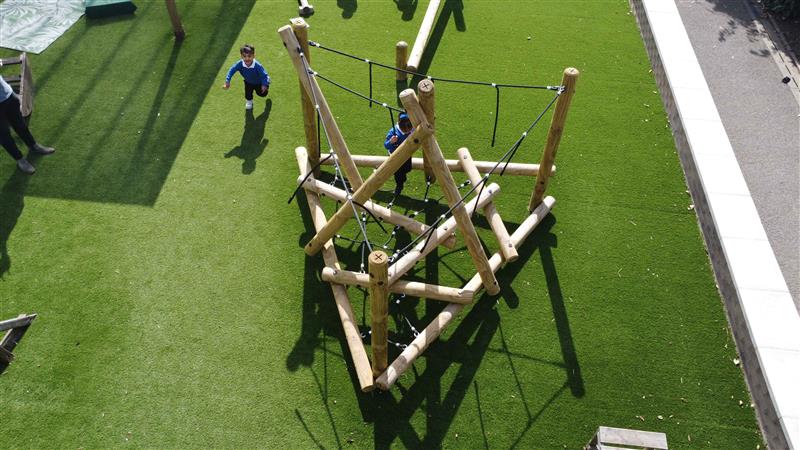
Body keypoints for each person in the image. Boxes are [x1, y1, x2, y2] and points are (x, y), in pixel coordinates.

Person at [0, 75, 54, 175]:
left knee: (21, 125)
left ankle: (34, 146)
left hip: (8, 95)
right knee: (4, 135)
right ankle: (20, 160)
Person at [223, 44, 271, 110]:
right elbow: (232, 70)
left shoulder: (258, 66)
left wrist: (264, 84)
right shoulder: (239, 64)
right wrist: (227, 80)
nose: (247, 58)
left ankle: (267, 83)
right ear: (241, 56)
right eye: (244, 56)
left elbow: (263, 75)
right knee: (248, 93)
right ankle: (249, 102)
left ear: (254, 56)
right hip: (248, 82)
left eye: (249, 56)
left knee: (262, 94)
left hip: (259, 82)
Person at [384, 113, 414, 195]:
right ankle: (399, 186)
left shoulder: (412, 129)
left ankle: (402, 178)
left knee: (408, 168)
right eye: (406, 131)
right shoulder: (393, 132)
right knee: (398, 174)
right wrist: (391, 141)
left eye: (410, 130)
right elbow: (386, 145)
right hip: (395, 156)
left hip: (406, 154)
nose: (408, 132)